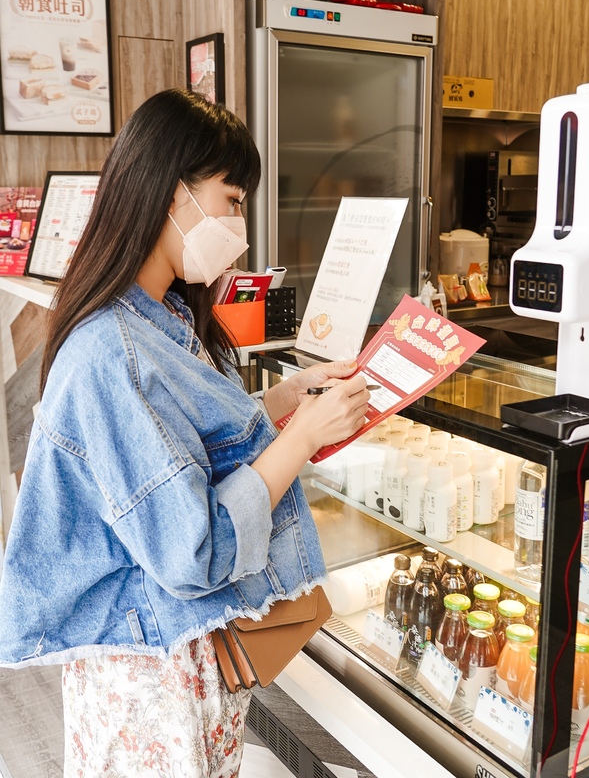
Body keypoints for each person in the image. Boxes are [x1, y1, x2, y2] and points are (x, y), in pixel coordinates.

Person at [0, 89, 370, 777]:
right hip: (149, 684)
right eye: (231, 200)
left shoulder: (158, 314)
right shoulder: (113, 351)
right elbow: (190, 552)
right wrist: (302, 438)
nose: (239, 224)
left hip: (180, 652)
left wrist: (287, 400)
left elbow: (186, 443)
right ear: (174, 195)